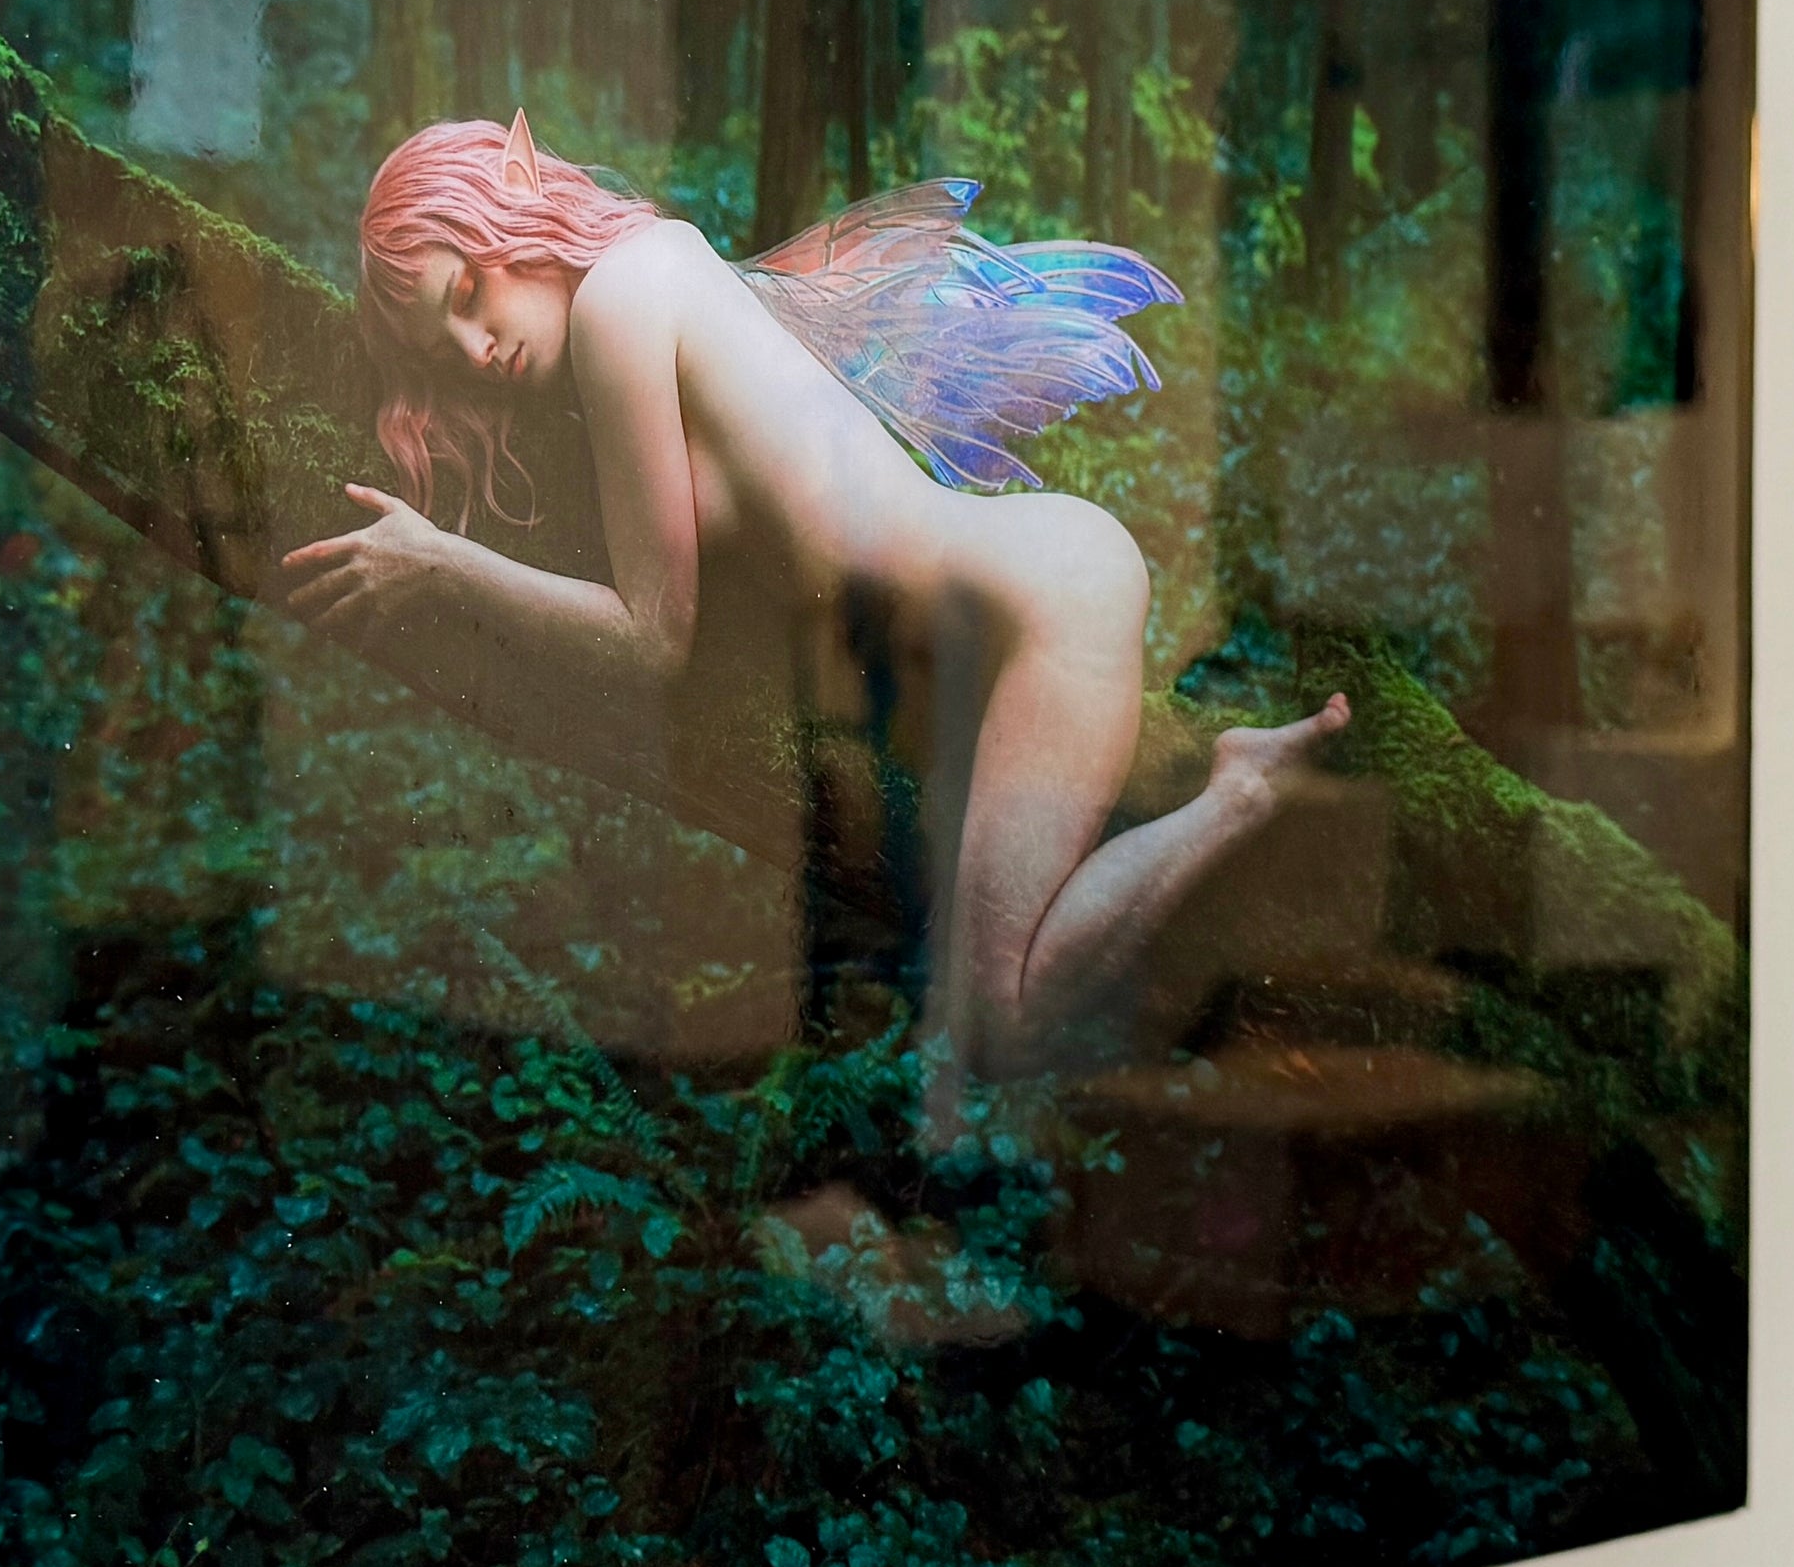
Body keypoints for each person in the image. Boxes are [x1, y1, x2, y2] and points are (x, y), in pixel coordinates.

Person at [282, 114, 1347, 1077]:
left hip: (1045, 602)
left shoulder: (620, 299)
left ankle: (1240, 793)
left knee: (1002, 1027)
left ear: (514, 195)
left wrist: (439, 564)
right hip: (1006, 615)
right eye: (444, 354)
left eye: (466, 296)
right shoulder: (654, 281)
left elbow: (652, 638)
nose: (478, 350)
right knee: (989, 1025)